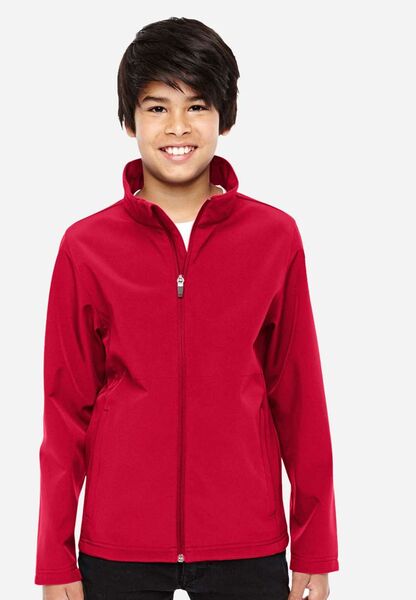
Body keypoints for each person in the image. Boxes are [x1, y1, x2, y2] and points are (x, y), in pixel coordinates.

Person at [34, 16, 339, 600]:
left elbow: (300, 398)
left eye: (197, 106)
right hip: (118, 545)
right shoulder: (85, 246)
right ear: (129, 121)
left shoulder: (274, 238)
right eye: (157, 108)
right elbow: (65, 410)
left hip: (245, 541)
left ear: (225, 116)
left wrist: (315, 544)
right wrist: (54, 558)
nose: (178, 127)